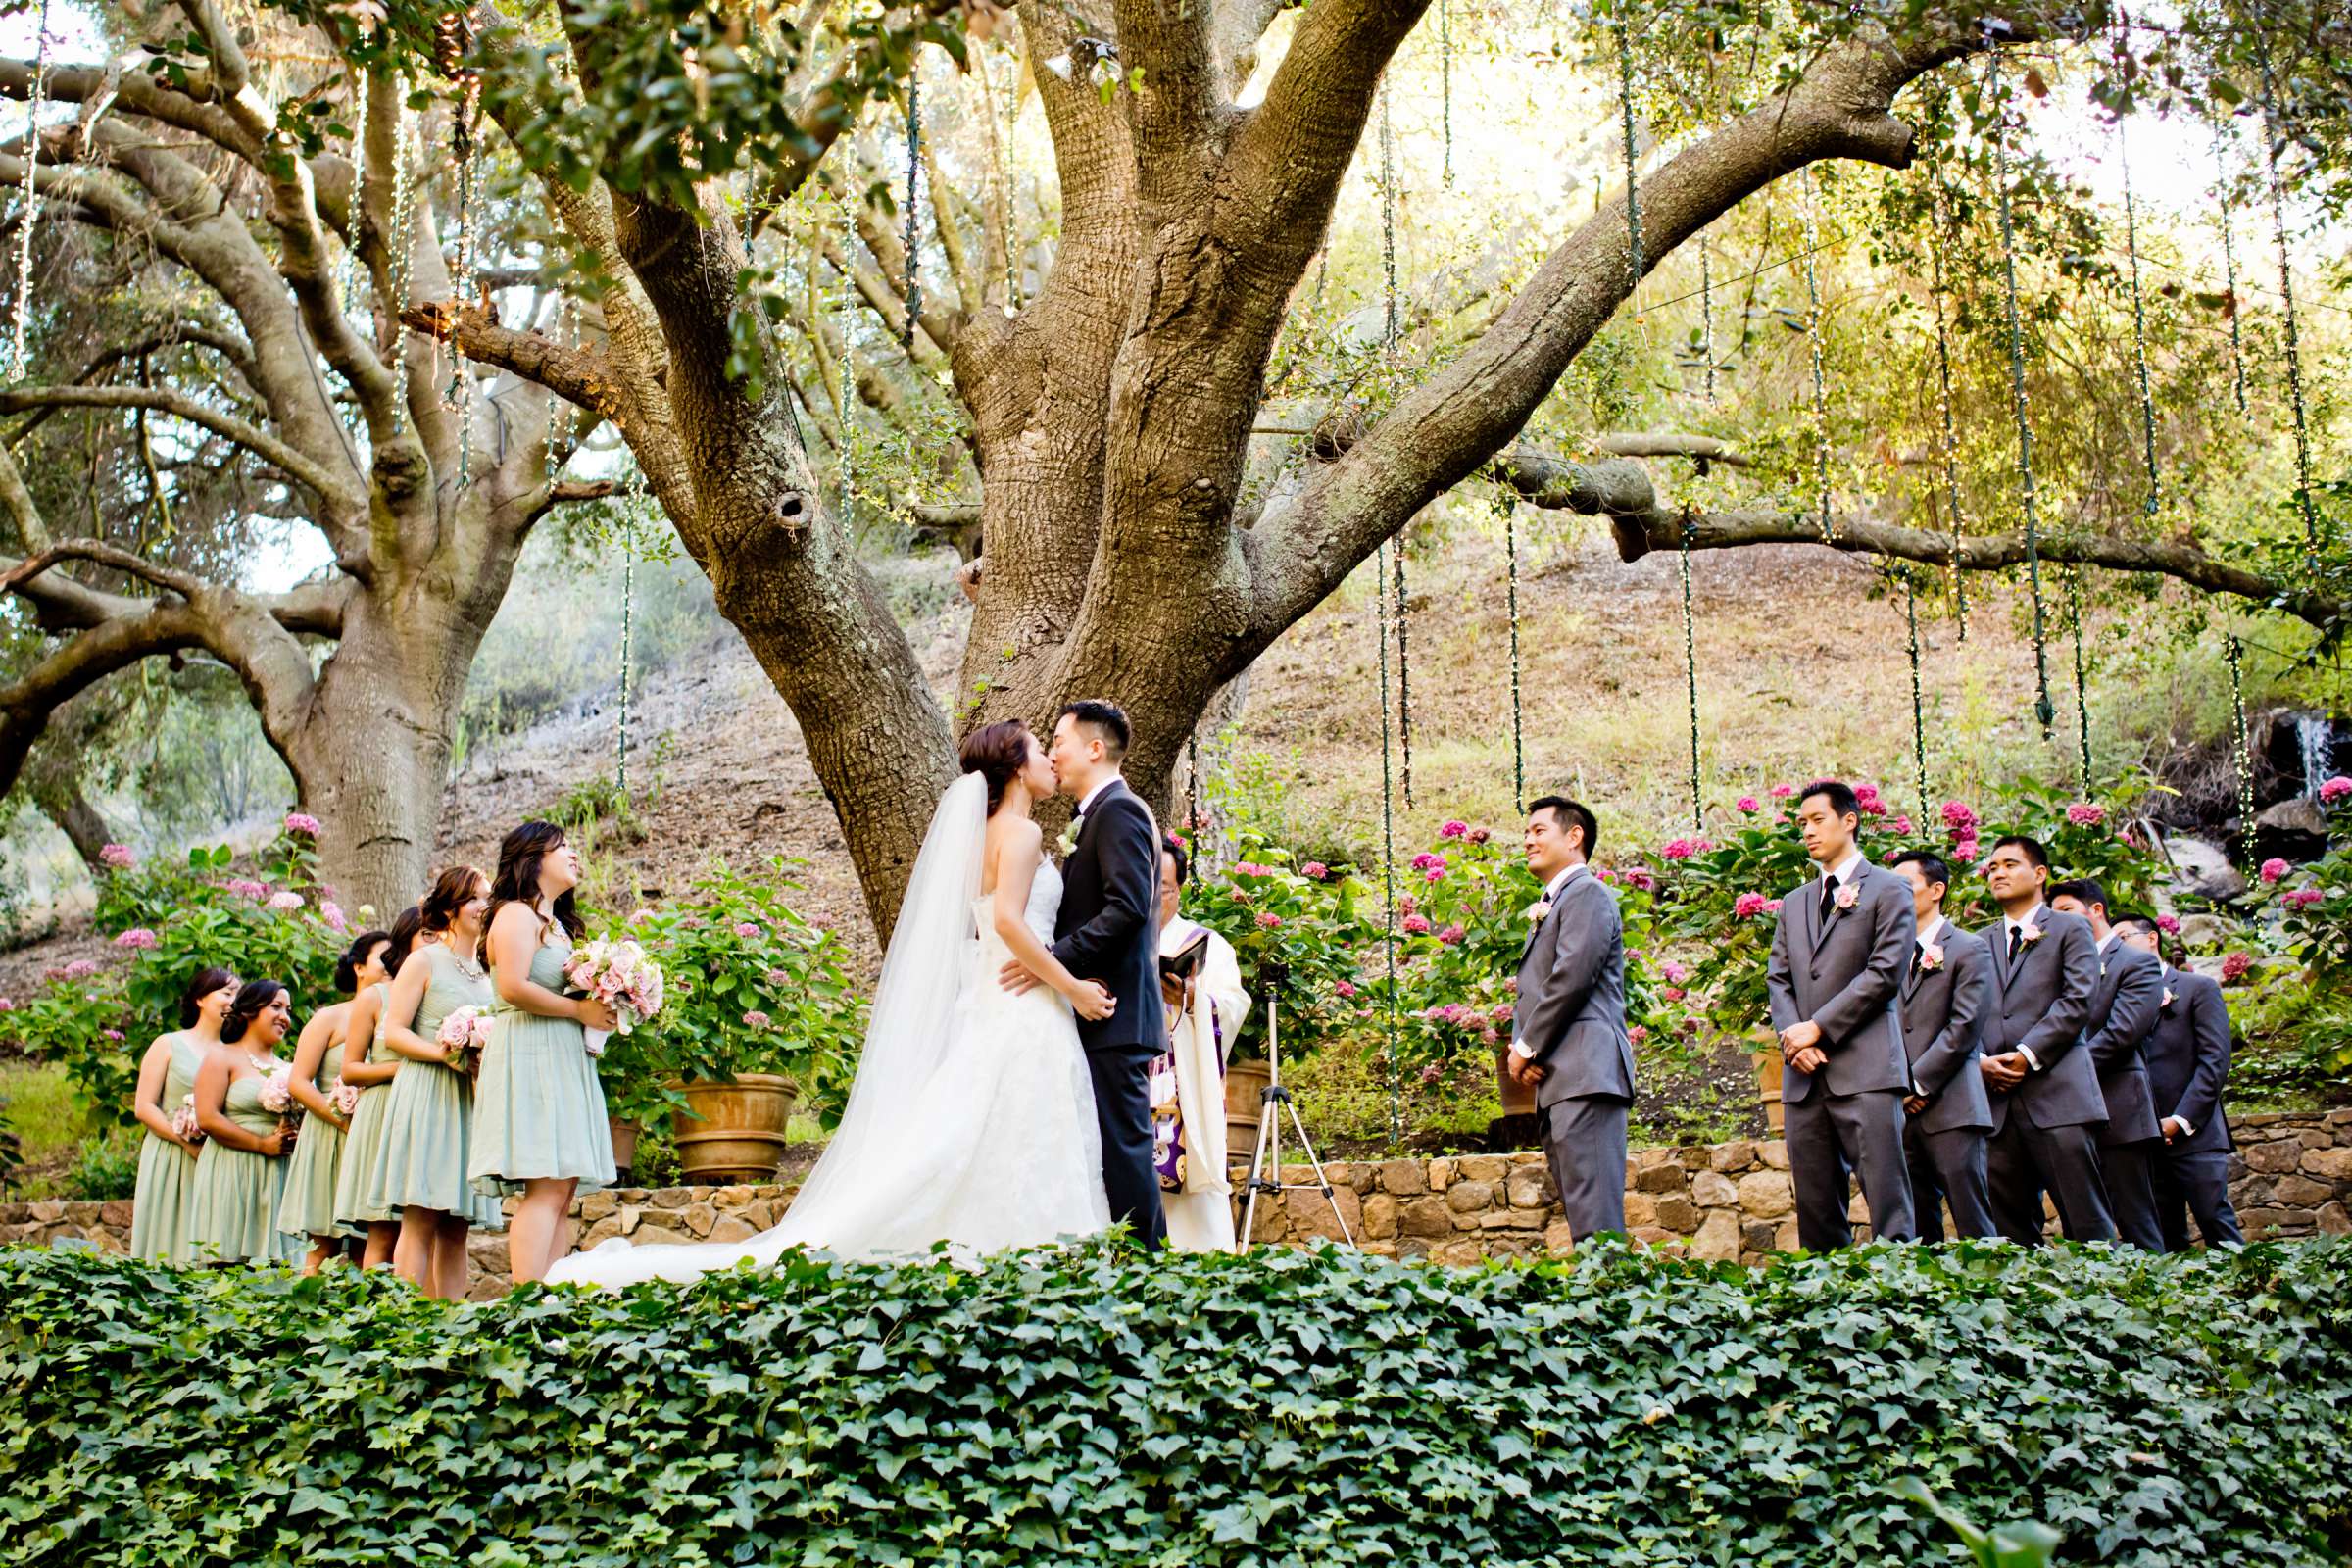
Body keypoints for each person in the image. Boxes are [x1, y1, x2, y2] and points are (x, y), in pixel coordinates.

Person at [547, 724, 1112, 1287]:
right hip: (1021, 1004)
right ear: (1015, 766)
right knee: (1018, 1126)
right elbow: (1010, 923)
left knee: (989, 1128)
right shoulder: (1019, 833)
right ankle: (1031, 1255)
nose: (1050, 759)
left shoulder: (984, 833)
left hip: (995, 995)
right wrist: (1073, 987)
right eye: (1041, 750)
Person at [1002, 700, 1169, 1251]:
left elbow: (1125, 908)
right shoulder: (1092, 815)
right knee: (1109, 1149)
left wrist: (1052, 961)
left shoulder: (1118, 811)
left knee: (1124, 1148)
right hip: (1096, 1009)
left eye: (1060, 740)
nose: (1052, 751)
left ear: (1094, 749)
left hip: (1112, 1008)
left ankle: (1153, 1271)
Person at [1763, 780, 1918, 1249]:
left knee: (1887, 1197)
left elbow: (1884, 973)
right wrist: (1794, 1039)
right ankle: (1825, 1302)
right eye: (1802, 824)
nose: (1808, 831)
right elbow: (1779, 978)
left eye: (1817, 820)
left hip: (1866, 1069)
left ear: (1849, 821)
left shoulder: (1890, 889)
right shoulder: (1794, 903)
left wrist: (1819, 1030)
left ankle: (1902, 1299)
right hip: (1804, 1075)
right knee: (1815, 1203)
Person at [472, 823, 620, 1285]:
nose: (575, 855)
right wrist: (580, 1012)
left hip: (562, 1053)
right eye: (564, 848)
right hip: (532, 1050)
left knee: (562, 1187)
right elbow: (513, 987)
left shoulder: (556, 926)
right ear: (533, 858)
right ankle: (526, 1302)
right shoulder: (516, 914)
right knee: (545, 1184)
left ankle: (551, 1296)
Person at [1975, 836, 2118, 1244]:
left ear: (2040, 874)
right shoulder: (1977, 941)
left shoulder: (2071, 928)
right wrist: (1981, 1061)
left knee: (2086, 1220)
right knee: (2010, 1228)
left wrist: (2026, 1054)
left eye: (2009, 864)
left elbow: (2078, 1000)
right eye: (1993, 866)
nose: (1998, 872)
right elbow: (1964, 1013)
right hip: (1996, 1103)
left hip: (2059, 1097)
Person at [1505, 796, 1634, 1245]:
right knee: (1584, 1217)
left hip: (1587, 1075)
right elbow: (1538, 987)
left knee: (1596, 1220)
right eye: (1526, 832)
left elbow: (1571, 978)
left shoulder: (1587, 894)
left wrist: (1525, 1047)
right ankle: (1600, 1302)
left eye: (1539, 830)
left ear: (1574, 836)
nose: (1527, 840)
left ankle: (1613, 1306)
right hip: (1562, 1077)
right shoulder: (1557, 902)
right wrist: (1525, 1047)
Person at [366, 868, 497, 1298]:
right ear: (448, 910)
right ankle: (408, 1322)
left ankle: (451, 1320)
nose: (485, 906)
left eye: (488, 897)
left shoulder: (487, 971)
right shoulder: (423, 961)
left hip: (467, 1100)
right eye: (474, 898)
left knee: (458, 1225)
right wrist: (446, 1053)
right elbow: (395, 1033)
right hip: (427, 1093)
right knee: (420, 1216)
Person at [2047, 879, 2166, 1250]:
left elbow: (2122, 1033)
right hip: (2063, 1111)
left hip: (2118, 1109)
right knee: (2079, 1222)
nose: (2058, 921)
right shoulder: (2055, 966)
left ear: (2096, 910)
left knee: (2135, 1219)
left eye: (2065, 911)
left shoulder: (2136, 961)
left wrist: (2057, 1068)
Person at [1886, 852, 1997, 1241]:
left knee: (1973, 1221)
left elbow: (1965, 1026)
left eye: (1906, 885)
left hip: (1953, 1106)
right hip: (1898, 1112)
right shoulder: (1885, 954)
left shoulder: (1969, 948)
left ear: (1937, 890)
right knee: (1916, 1226)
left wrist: (1917, 1084)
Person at [2116, 915, 2244, 1250]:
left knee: (2217, 1223)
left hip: (2196, 1134)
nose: (2117, 946)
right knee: (2162, 1236)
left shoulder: (2197, 988)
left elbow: (2215, 1061)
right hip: (2144, 1136)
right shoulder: (2118, 999)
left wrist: (2180, 1120)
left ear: (2152, 939)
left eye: (2123, 936)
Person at [276, 929, 392, 1272]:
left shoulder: (396, 1017)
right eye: (382, 958)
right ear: (358, 967)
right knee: (321, 1247)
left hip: (371, 1136)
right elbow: (298, 1082)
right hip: (331, 1134)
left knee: (369, 1242)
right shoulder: (329, 1018)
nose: (390, 965)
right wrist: (341, 1119)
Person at [1153, 833, 1248, 1252]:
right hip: (1131, 1076)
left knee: (1191, 1187)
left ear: (1181, 888)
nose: (1155, 896)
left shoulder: (1207, 943)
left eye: (1165, 888)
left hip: (1184, 1082)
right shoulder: (1117, 937)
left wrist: (1192, 997)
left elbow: (1233, 1003)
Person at [333, 905, 426, 1268]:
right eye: (428, 934)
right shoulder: (376, 997)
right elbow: (351, 1069)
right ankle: (378, 1315)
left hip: (427, 1108)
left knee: (428, 1221)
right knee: (384, 1228)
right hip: (384, 1109)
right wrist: (402, 1067)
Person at [184, 980, 301, 1265]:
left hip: (278, 1174)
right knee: (228, 1261)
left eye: (288, 1010)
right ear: (249, 1010)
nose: (284, 1016)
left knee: (278, 1266)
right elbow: (208, 1117)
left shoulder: (289, 1068)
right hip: (232, 1168)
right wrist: (262, 1144)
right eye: (276, 1007)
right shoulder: (222, 1056)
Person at [128, 967, 237, 1265]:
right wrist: (183, 1140)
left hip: (214, 1156)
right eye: (227, 993)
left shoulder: (232, 1052)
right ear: (201, 999)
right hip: (170, 1152)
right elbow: (144, 1106)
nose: (234, 1001)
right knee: (168, 1236)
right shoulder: (168, 1044)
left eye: (238, 995)